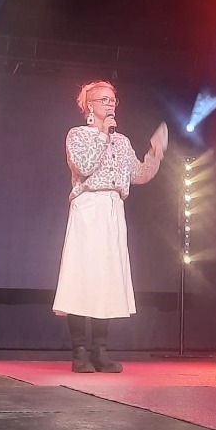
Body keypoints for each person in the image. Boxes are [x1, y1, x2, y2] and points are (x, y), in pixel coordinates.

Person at [53, 80, 167, 373]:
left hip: (114, 208)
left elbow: (137, 175)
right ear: (89, 106)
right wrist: (103, 134)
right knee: (83, 277)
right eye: (103, 100)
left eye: (113, 99)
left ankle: (100, 351)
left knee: (106, 279)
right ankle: (79, 351)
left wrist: (154, 155)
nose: (110, 104)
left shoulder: (122, 141)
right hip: (89, 206)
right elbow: (84, 166)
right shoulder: (78, 135)